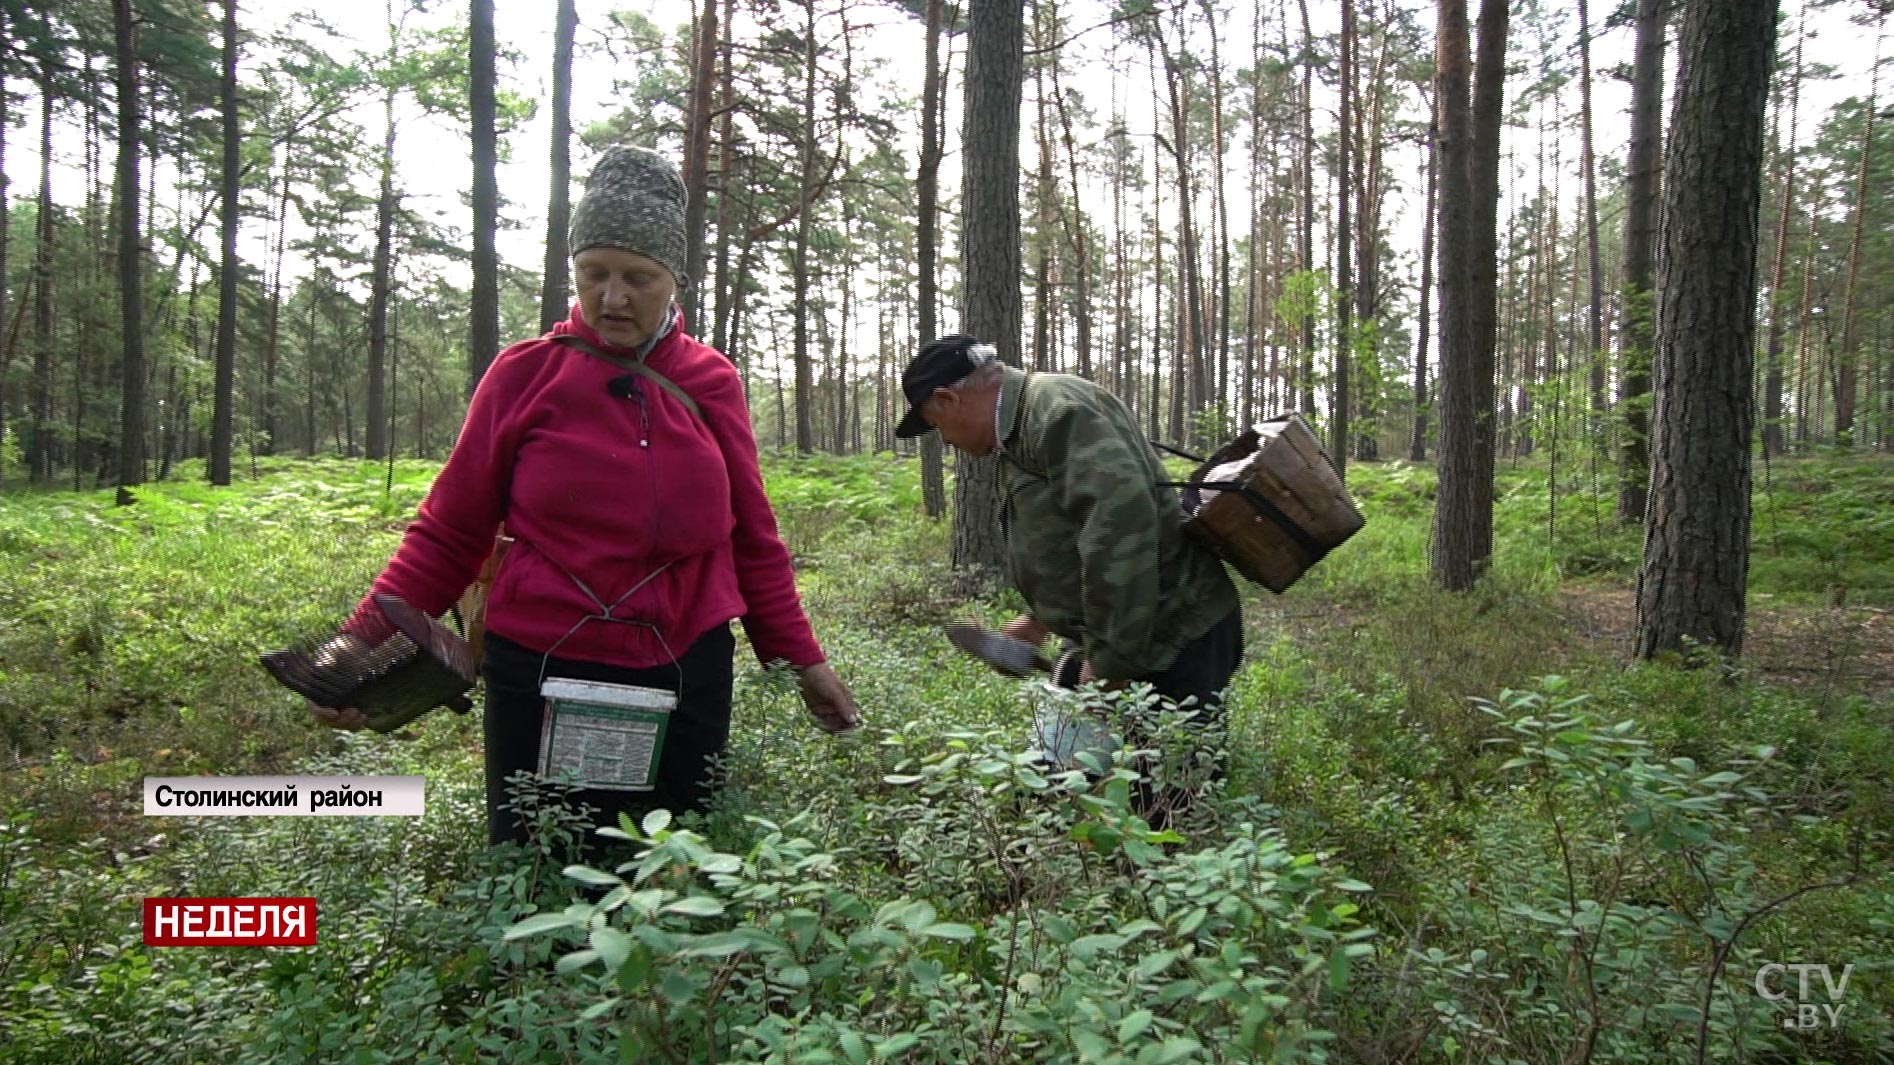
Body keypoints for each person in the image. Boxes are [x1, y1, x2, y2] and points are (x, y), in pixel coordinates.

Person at [311, 145, 860, 853]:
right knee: (540, 866)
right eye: (593, 273)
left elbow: (751, 540)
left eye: (639, 277)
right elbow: (449, 531)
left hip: (685, 668)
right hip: (539, 670)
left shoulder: (710, 383)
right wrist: (358, 642)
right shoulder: (523, 376)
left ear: (675, 280)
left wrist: (803, 660)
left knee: (675, 868)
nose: (612, 297)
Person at [893, 334, 1241, 825]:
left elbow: (1121, 529)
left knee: (1169, 811)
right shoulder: (1020, 429)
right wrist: (1042, 619)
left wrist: (1113, 660)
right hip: (1119, 635)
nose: (945, 441)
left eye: (937, 426)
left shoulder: (1055, 412)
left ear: (948, 399)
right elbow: (1072, 531)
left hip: (1173, 634)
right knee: (1060, 787)